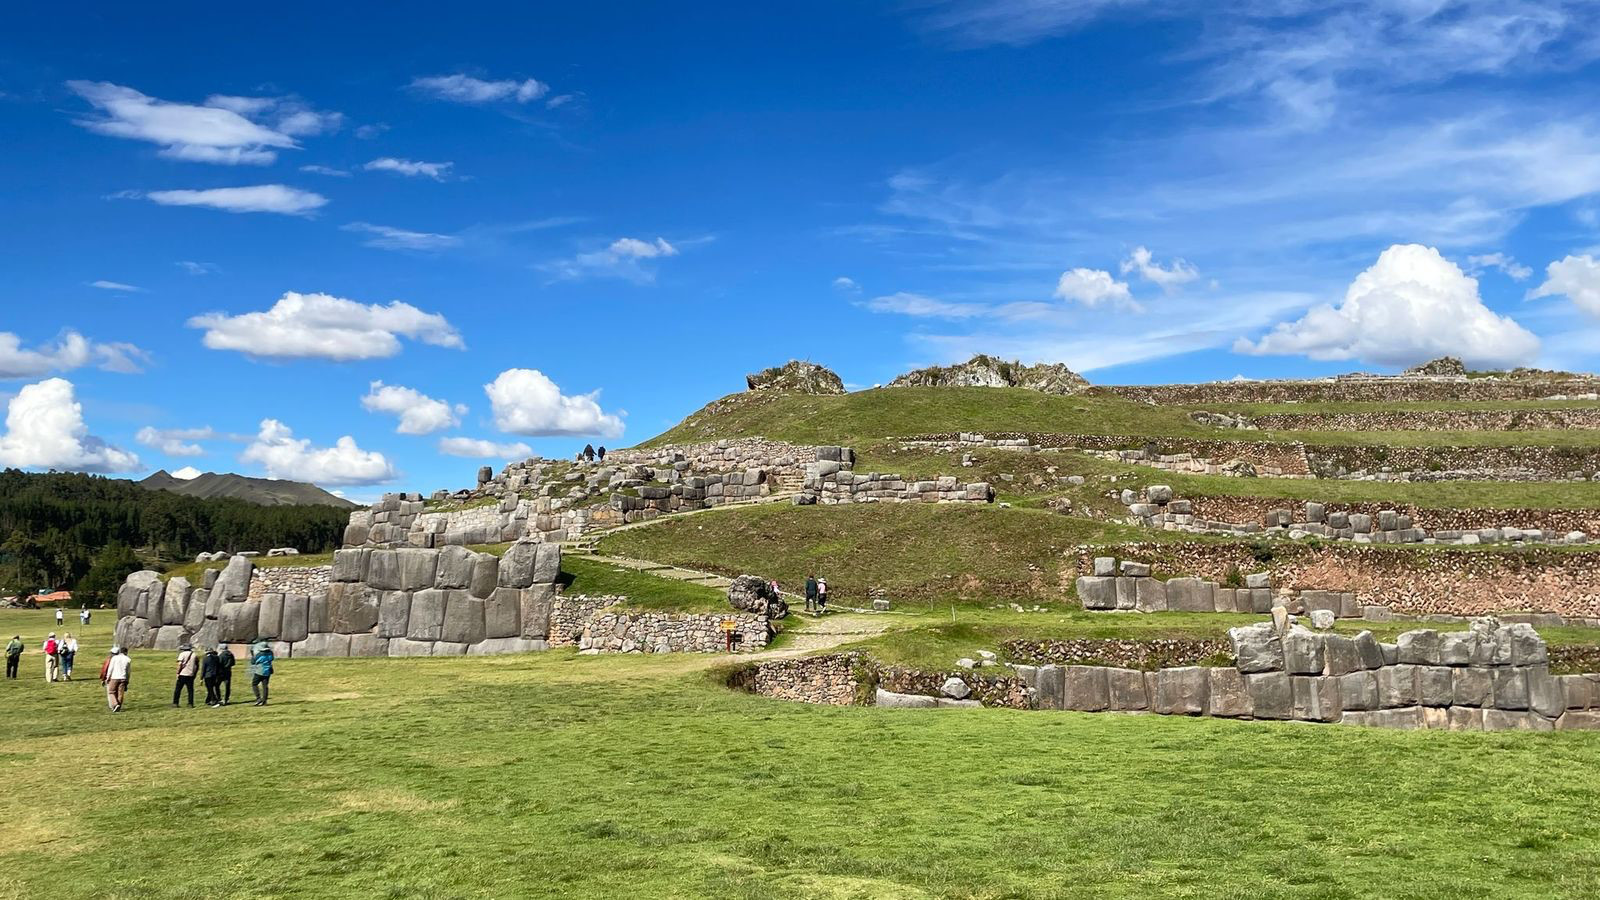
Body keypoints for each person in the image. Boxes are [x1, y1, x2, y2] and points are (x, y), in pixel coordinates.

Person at [102, 646, 130, 712]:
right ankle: (119, 706)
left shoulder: (114, 658)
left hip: (115, 677)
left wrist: (108, 677)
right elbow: (128, 671)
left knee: (111, 691)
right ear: (126, 652)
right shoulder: (128, 659)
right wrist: (127, 680)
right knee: (121, 693)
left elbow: (110, 668)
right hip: (123, 677)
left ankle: (115, 704)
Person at [173, 643, 198, 708]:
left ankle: (175, 703)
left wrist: (177, 672)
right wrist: (194, 673)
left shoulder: (182, 654)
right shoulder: (194, 655)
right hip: (190, 674)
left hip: (183, 674)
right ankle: (190, 703)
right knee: (190, 690)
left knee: (178, 689)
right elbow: (197, 665)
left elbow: (180, 664)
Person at [250, 641, 275, 706]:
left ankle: (258, 699)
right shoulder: (270, 653)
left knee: (254, 684)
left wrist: (252, 655)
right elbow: (272, 659)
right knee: (265, 686)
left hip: (260, 671)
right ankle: (265, 700)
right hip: (268, 671)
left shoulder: (259, 654)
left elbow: (253, 662)